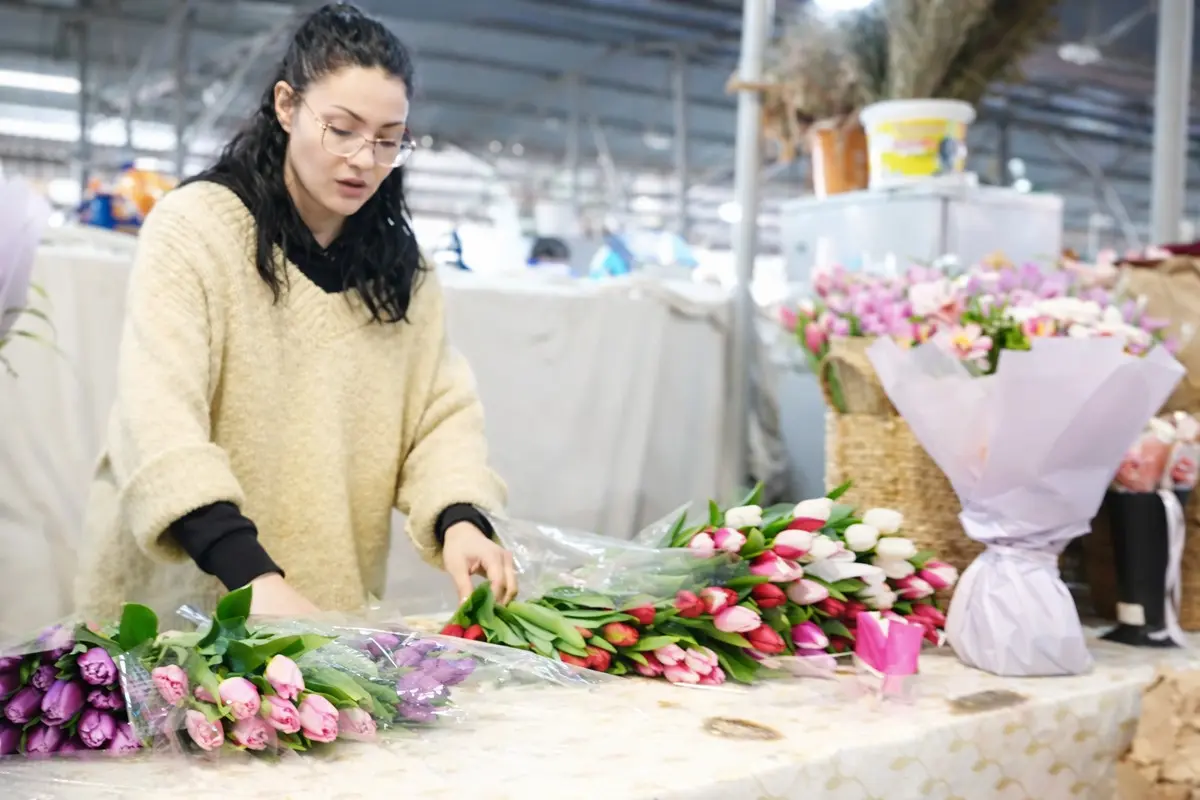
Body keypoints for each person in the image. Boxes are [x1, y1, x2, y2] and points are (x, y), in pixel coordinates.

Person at [74, 3, 516, 619]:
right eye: (342, 129)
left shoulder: (403, 276)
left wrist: (459, 516)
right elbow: (158, 415)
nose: (365, 159)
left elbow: (438, 416)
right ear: (287, 105)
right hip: (183, 612)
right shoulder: (197, 228)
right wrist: (249, 576)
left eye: (389, 140)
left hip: (323, 613)